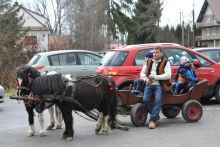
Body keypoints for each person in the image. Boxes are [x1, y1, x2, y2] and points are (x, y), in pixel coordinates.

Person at [140, 47, 171, 129]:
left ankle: (152, 120)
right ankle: (156, 116)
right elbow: (142, 74)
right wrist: (146, 79)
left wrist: (155, 77)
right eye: (154, 52)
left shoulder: (166, 62)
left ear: (161, 53)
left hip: (160, 85)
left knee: (158, 100)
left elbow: (168, 75)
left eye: (157, 52)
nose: (154, 54)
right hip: (149, 84)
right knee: (145, 100)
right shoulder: (148, 61)